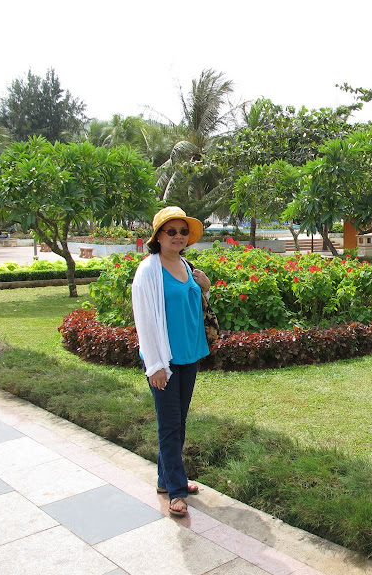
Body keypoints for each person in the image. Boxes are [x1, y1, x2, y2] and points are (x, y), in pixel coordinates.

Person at [132, 206, 211, 517]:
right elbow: (144, 320)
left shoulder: (187, 266)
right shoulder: (148, 272)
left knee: (178, 422)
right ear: (158, 237)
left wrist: (205, 287)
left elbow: (194, 307)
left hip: (189, 354)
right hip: (165, 359)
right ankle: (177, 492)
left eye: (183, 231)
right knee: (168, 425)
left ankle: (166, 480)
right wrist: (155, 366)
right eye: (171, 231)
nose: (178, 236)